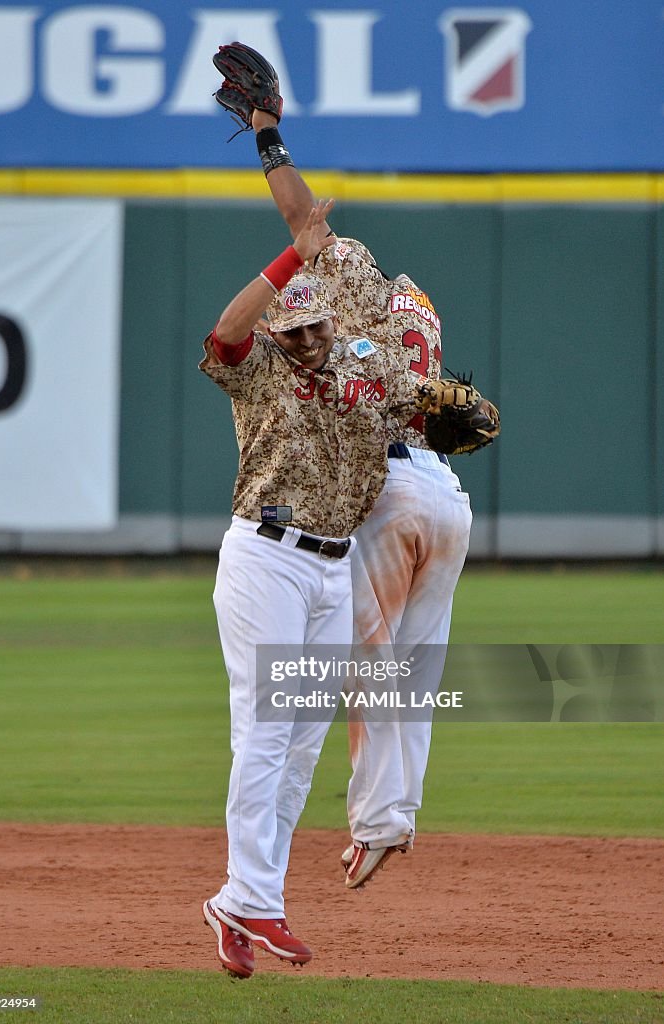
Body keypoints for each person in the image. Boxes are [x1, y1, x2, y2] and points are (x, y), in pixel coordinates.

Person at [200, 198, 433, 977]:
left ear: (333, 324)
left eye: (316, 327)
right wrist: (289, 262)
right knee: (266, 730)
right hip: (266, 557)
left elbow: (422, 405)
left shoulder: (361, 366)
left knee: (301, 745)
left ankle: (241, 901)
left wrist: (451, 408)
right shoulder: (257, 368)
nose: (306, 340)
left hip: (333, 567)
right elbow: (227, 333)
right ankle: (258, 898)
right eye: (292, 330)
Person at [248, 105, 474, 891]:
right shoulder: (419, 309)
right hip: (448, 496)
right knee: (411, 672)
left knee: (369, 667)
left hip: (388, 489)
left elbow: (298, 216)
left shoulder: (346, 284)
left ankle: (379, 823)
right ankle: (394, 816)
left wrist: (269, 139)